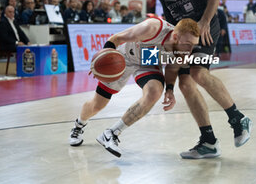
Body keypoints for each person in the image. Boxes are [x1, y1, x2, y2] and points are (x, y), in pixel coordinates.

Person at [143, 0, 252, 159]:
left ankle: (238, 119)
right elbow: (169, 11)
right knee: (184, 83)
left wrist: (204, 22)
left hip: (205, 22)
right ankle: (209, 141)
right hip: (183, 29)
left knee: (198, 73)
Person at [69, 17, 200, 157]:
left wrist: (169, 89)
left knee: (154, 92)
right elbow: (117, 38)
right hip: (123, 57)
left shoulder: (184, 51)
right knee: (96, 105)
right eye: (187, 44)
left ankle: (111, 133)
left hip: (148, 59)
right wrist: (100, 61)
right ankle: (79, 125)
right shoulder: (152, 28)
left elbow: (172, 67)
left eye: (193, 45)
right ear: (175, 36)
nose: (190, 49)